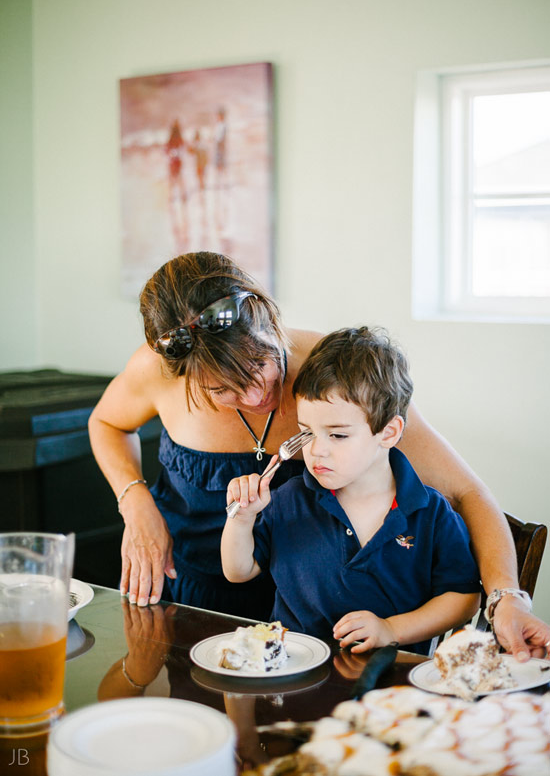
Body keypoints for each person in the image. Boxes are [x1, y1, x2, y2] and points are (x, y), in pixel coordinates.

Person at [88, 251, 550, 658]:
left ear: (268, 319)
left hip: (313, 623)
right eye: (221, 390)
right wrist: (136, 503)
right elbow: (106, 424)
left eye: (259, 365)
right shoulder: (157, 369)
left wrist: (506, 596)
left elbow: (467, 493)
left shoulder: (340, 381)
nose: (253, 395)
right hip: (193, 595)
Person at [221, 327, 481, 655]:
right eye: (307, 432)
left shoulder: (430, 514)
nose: (316, 451)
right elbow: (238, 571)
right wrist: (242, 518)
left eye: (338, 436)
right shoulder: (288, 499)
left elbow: (464, 598)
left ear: (388, 432)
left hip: (389, 687)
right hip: (293, 679)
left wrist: (391, 629)